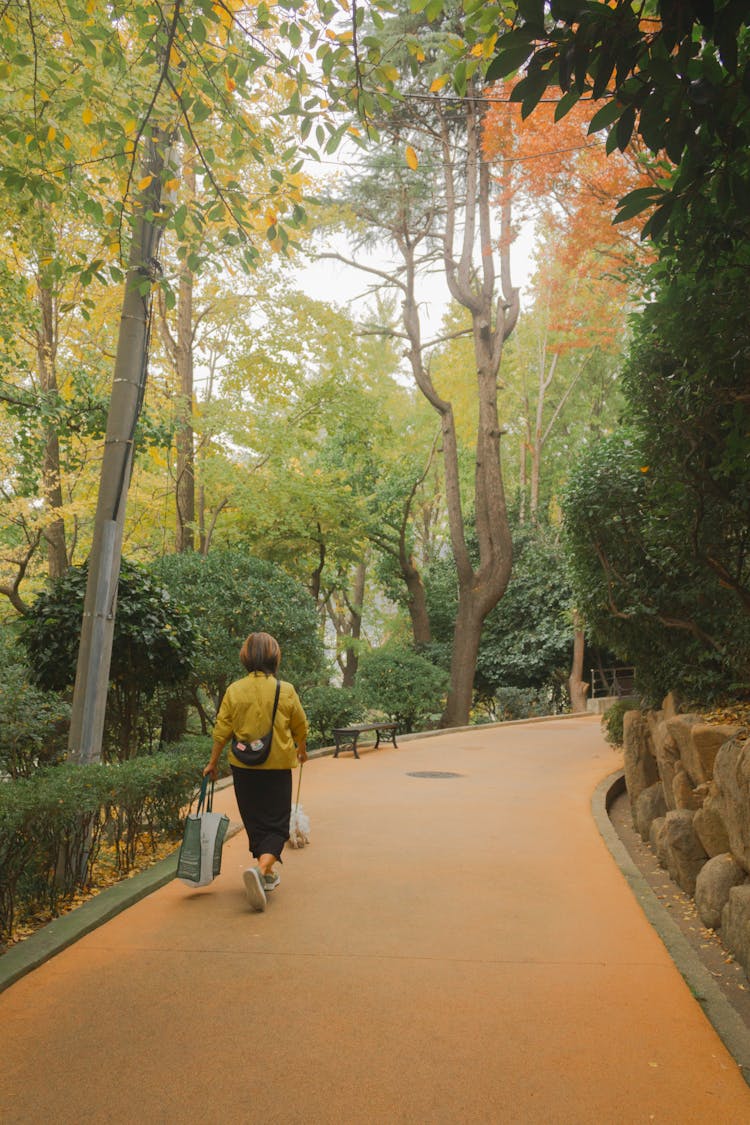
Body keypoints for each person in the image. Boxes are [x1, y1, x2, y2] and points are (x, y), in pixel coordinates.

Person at [203, 631, 308, 912]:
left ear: (246, 657)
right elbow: (300, 725)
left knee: (256, 821)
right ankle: (261, 871)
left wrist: (212, 763)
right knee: (276, 824)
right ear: (274, 656)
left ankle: (268, 874)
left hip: (243, 767)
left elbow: (222, 729)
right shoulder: (285, 690)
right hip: (276, 767)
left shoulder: (234, 690)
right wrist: (301, 749)